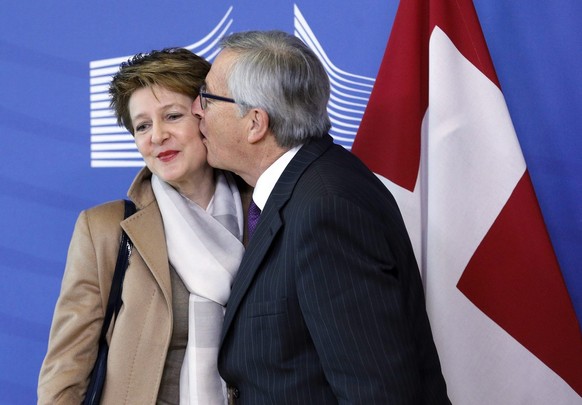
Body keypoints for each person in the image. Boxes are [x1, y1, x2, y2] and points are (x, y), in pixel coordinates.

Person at [191, 30, 450, 404]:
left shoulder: (326, 209)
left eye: (208, 97)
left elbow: (376, 391)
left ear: (255, 124)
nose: (197, 109)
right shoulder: (301, 188)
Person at [38, 48, 251, 404]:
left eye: (172, 116)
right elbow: (66, 367)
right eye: (142, 125)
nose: (157, 136)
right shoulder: (105, 228)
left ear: (206, 116)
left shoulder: (265, 211)